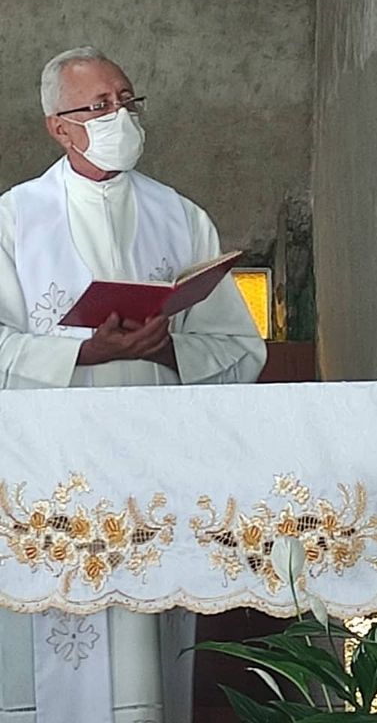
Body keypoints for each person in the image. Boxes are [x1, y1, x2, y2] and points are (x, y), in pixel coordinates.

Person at [0, 47, 266, 723]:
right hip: (51, 479)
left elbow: (241, 350)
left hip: (154, 474)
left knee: (149, 666)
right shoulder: (12, 221)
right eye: (100, 106)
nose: (120, 115)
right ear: (59, 127)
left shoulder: (180, 217)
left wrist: (170, 346)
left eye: (126, 101)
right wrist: (84, 351)